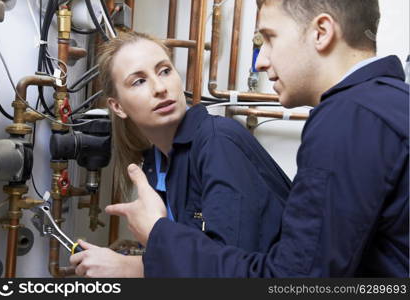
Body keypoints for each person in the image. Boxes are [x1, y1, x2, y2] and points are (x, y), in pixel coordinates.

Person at [104, 0, 409, 277]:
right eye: (140, 81)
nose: (261, 62)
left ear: (322, 32)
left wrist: (157, 239)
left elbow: (292, 282)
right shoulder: (382, 106)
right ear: (116, 106)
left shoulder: (349, 120)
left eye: (270, 38)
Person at [69, 31, 292, 277]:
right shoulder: (154, 164)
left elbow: (234, 274)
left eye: (164, 71)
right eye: (139, 81)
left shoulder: (218, 142)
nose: (160, 88)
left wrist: (133, 269)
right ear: (117, 106)